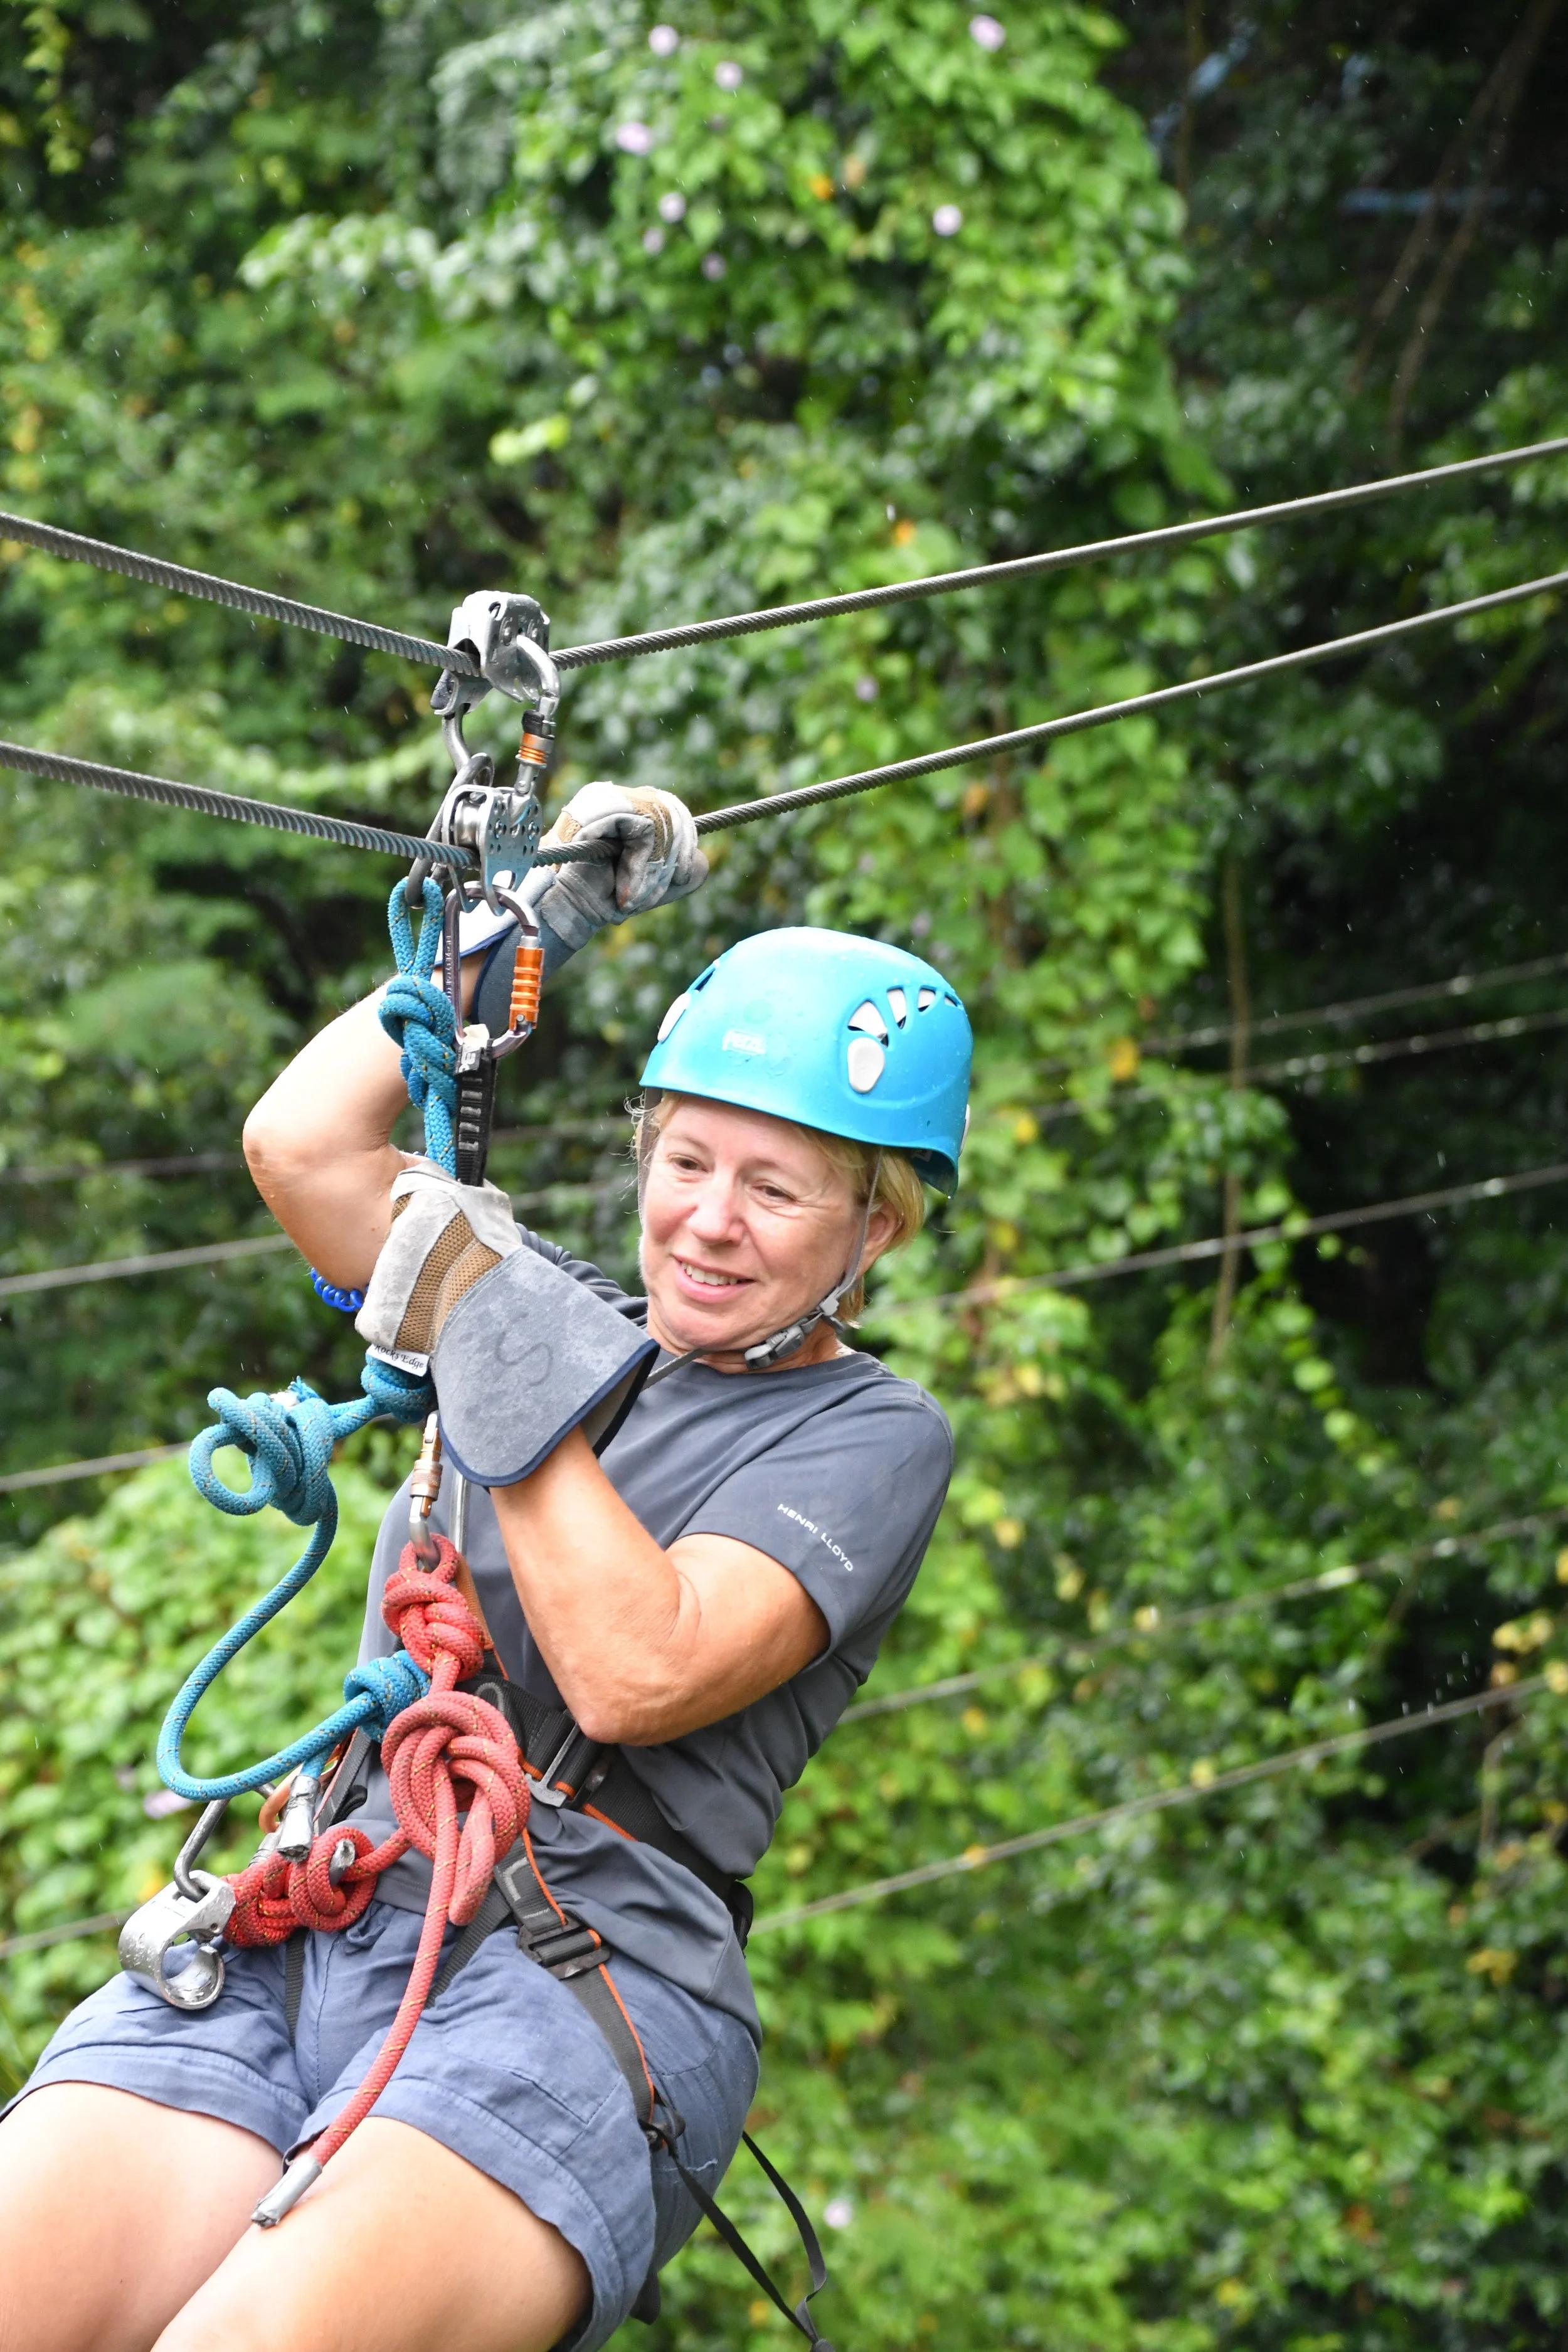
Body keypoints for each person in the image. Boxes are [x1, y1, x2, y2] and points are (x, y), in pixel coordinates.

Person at [0, 785, 972, 2352]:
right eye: (686, 1162)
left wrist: (483, 1319)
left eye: (774, 1189)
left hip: (582, 1974)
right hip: (336, 1896)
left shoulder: (867, 1434)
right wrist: (525, 926)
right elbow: (305, 1143)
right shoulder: (556, 1315)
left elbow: (635, 1666)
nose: (709, 1224)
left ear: (877, 1230)